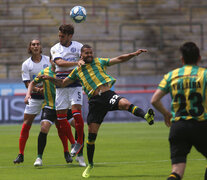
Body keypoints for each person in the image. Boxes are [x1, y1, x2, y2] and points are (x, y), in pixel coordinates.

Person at [41, 44, 155, 178]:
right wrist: (50, 78)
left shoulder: (99, 61)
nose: (89, 55)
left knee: (125, 103)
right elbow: (62, 83)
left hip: (107, 95)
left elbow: (119, 59)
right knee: (92, 135)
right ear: (81, 55)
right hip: (95, 102)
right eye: (86, 53)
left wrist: (134, 54)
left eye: (91, 53)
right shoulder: (77, 71)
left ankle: (146, 116)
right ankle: (90, 165)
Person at [151, 42, 207, 180]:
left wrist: (166, 114)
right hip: (201, 125)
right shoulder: (204, 74)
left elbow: (154, 100)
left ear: (182, 59)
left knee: (176, 171)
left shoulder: (172, 75)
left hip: (178, 127)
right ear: (199, 58)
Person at [24, 59, 75, 166]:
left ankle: (75, 152)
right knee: (44, 128)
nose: (57, 62)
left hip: (64, 106)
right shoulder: (44, 72)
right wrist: (28, 94)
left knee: (77, 125)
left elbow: (68, 83)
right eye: (55, 59)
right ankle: (39, 158)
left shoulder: (65, 72)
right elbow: (32, 83)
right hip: (50, 106)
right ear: (51, 60)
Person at [13, 39, 51, 164]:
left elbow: (53, 76)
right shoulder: (26, 64)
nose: (35, 46)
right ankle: (20, 154)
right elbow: (27, 83)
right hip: (34, 98)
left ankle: (67, 151)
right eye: (33, 44)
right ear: (30, 47)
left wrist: (44, 89)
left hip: (48, 97)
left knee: (61, 122)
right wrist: (37, 89)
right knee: (26, 123)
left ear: (41, 47)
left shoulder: (48, 60)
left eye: (38, 44)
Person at [50, 24, 84, 157]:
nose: (60, 38)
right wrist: (77, 63)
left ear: (70, 36)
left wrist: (81, 62)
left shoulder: (79, 46)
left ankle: (79, 141)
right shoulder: (55, 48)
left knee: (76, 112)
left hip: (75, 83)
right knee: (61, 117)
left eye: (62, 36)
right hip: (61, 85)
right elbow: (59, 63)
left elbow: (85, 60)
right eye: (59, 35)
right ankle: (73, 142)